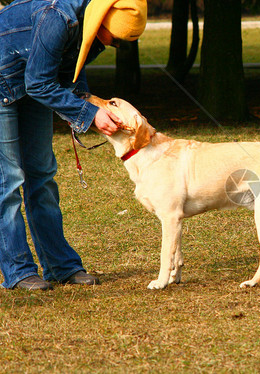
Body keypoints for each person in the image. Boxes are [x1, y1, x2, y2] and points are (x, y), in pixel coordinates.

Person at [0, 0, 147, 290]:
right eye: (115, 38)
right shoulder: (58, 17)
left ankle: (60, 266)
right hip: (5, 84)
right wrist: (89, 114)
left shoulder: (88, 26)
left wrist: (86, 106)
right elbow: (39, 83)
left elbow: (68, 76)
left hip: (34, 85)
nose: (114, 44)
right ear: (102, 20)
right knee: (9, 180)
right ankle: (17, 271)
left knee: (42, 175)